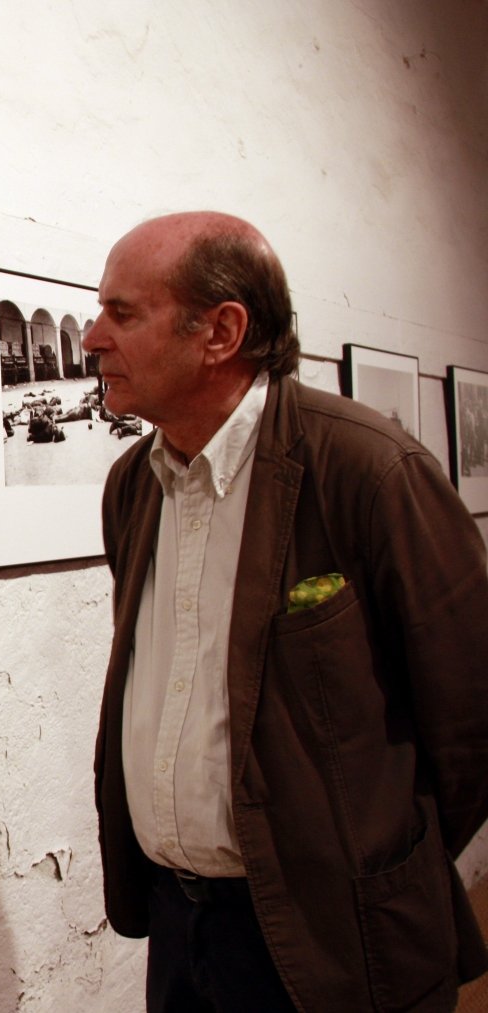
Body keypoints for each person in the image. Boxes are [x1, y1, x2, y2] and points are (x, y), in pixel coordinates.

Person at [83, 211, 488, 1012]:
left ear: (221, 331)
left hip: (335, 938)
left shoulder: (368, 471)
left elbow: (472, 713)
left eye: (123, 312)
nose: (93, 336)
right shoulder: (133, 485)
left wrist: (377, 867)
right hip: (179, 923)